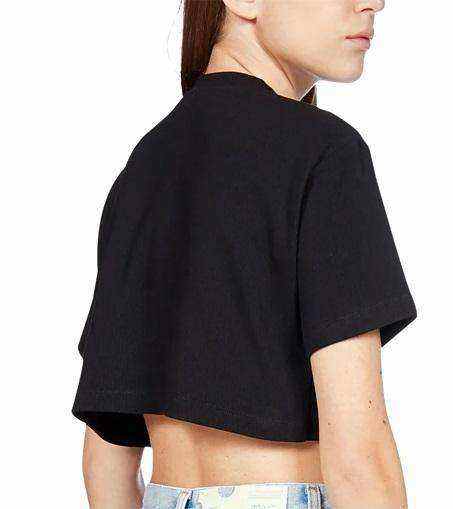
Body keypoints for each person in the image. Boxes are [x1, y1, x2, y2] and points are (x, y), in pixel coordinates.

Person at [72, 1, 417, 508]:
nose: (374, 2)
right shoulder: (324, 153)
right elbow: (358, 461)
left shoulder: (141, 171)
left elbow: (104, 465)